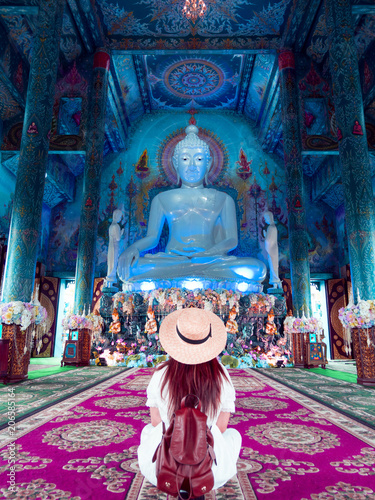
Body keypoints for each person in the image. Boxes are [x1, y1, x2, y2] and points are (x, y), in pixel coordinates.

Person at [117, 124, 266, 288]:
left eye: (200, 159)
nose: (192, 166)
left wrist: (207, 254)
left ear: (208, 164)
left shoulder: (223, 199)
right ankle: (195, 270)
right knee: (131, 267)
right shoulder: (162, 199)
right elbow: (152, 238)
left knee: (257, 269)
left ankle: (191, 269)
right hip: (173, 259)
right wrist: (132, 249)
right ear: (175, 164)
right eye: (185, 159)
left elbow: (231, 240)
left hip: (211, 258)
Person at [138, 307, 242, 499]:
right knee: (233, 435)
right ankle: (197, 477)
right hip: (211, 467)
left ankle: (181, 477)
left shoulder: (161, 373)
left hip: (164, 464)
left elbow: (156, 423)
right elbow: (221, 427)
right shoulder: (221, 375)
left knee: (148, 431)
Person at [263, 211, 282, 289]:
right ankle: (275, 284)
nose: (265, 220)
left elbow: (268, 240)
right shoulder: (273, 227)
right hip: (273, 249)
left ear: (269, 217)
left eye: (265, 218)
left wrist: (265, 235)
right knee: (273, 267)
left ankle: (277, 282)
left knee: (273, 267)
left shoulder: (271, 227)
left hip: (272, 250)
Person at [107, 208, 124, 283]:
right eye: (120, 217)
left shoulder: (111, 226)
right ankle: (111, 277)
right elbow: (118, 238)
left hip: (110, 246)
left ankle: (110, 275)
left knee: (111, 262)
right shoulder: (116, 226)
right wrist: (122, 232)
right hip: (115, 246)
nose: (120, 219)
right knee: (114, 261)